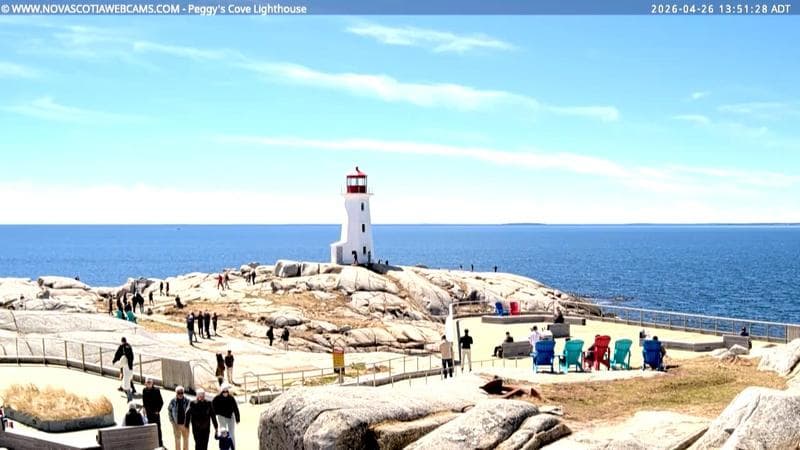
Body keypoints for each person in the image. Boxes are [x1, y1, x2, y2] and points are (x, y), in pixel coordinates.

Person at [212, 384, 240, 448]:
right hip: (221, 416)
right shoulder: (217, 398)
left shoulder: (231, 398)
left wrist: (237, 418)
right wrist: (216, 412)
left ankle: (233, 447)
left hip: (230, 416)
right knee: (223, 432)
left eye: (226, 391)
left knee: (231, 433)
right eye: (224, 392)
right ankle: (223, 447)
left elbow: (235, 408)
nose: (225, 393)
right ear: (222, 392)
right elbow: (212, 406)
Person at [142, 377, 164, 447]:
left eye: (150, 382)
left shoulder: (156, 390)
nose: (148, 384)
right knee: (149, 428)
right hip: (148, 413)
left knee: (157, 428)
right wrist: (144, 408)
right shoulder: (144, 390)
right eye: (147, 382)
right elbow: (144, 401)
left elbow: (161, 402)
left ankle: (160, 443)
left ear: (152, 383)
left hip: (155, 413)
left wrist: (158, 410)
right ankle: (151, 442)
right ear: (145, 383)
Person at [112, 337, 135, 402]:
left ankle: (130, 399)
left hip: (126, 371)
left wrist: (114, 360)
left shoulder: (123, 354)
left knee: (126, 386)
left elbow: (118, 356)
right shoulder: (129, 347)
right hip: (130, 370)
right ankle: (130, 395)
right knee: (126, 384)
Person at [168, 386, 191, 450]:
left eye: (182, 392)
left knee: (186, 440)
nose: (180, 394)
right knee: (177, 440)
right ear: (176, 393)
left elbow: (191, 412)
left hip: (185, 424)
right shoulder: (172, 401)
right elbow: (169, 410)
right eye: (179, 393)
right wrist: (172, 421)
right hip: (176, 424)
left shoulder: (188, 401)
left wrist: (189, 422)